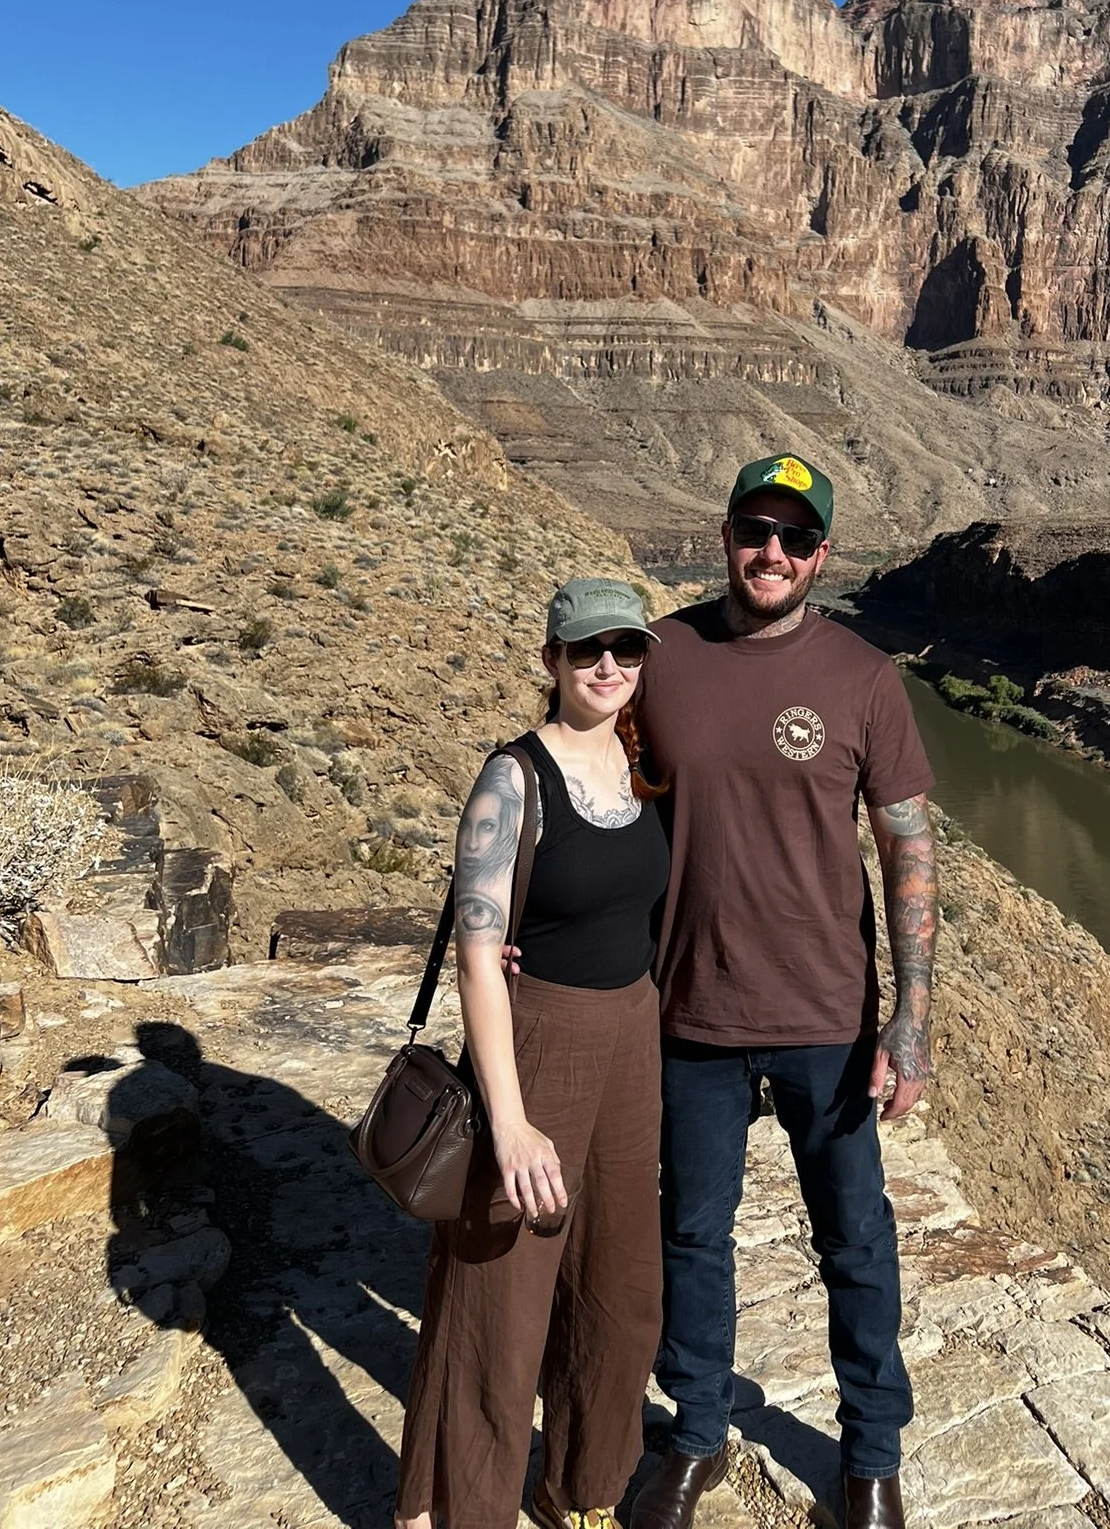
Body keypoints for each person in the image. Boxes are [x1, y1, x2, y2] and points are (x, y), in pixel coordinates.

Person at [633, 454, 938, 1529]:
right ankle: (696, 1429)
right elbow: (594, 800)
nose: (773, 552)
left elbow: (908, 843)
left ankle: (870, 1454)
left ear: (823, 556)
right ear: (724, 532)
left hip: (826, 1017)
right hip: (689, 1009)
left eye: (796, 538)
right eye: (756, 529)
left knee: (854, 1236)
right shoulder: (659, 655)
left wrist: (909, 1015)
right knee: (692, 1234)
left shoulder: (862, 674)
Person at [397, 578, 672, 1529]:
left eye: (626, 651)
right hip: (540, 1040)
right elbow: (479, 953)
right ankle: (459, 1508)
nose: (608, 667)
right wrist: (509, 1126)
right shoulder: (514, 776)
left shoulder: (648, 773)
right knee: (499, 1301)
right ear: (551, 660)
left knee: (624, 1291)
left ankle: (583, 1491)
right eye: (588, 649)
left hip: (634, 1043)